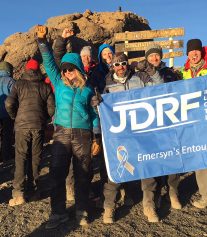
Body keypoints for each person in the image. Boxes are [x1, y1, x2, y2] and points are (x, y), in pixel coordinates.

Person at [35, 25, 101, 229]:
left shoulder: (88, 89)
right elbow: (49, 61)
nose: (66, 72)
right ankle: (58, 213)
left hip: (83, 135)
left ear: (78, 69)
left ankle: (82, 211)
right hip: (62, 134)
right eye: (64, 69)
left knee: (83, 174)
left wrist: (97, 137)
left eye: (70, 68)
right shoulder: (59, 83)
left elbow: (94, 115)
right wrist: (43, 41)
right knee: (57, 173)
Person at [102, 52, 163, 224]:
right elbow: (101, 105)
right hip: (120, 134)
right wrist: (96, 103)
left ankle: (149, 205)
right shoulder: (108, 84)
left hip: (143, 130)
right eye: (116, 64)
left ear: (127, 64)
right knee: (116, 169)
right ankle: (109, 207)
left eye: (122, 63)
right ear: (112, 66)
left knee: (147, 167)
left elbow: (160, 87)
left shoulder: (140, 77)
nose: (120, 67)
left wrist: (151, 69)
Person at [135, 44, 182, 210]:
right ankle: (152, 196)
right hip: (149, 125)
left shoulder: (170, 73)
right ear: (146, 58)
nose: (154, 58)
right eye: (151, 56)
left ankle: (173, 192)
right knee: (151, 160)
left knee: (172, 158)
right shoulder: (139, 76)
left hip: (169, 122)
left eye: (157, 55)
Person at [181, 39, 207, 209]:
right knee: (199, 163)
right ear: (187, 54)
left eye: (196, 51)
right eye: (190, 52)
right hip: (194, 125)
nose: (193, 54)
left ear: (201, 52)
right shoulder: (184, 73)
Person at [5, 58, 55, 206]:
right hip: (38, 126)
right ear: (38, 70)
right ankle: (33, 191)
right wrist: (43, 119)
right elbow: (52, 108)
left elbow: (9, 103)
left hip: (21, 126)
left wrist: (15, 117)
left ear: (27, 70)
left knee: (20, 158)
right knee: (35, 158)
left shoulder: (19, 84)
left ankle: (18, 194)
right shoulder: (44, 87)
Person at [0, 61, 15, 165]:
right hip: (7, 113)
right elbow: (16, 97)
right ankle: (6, 157)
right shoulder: (11, 81)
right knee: (7, 135)